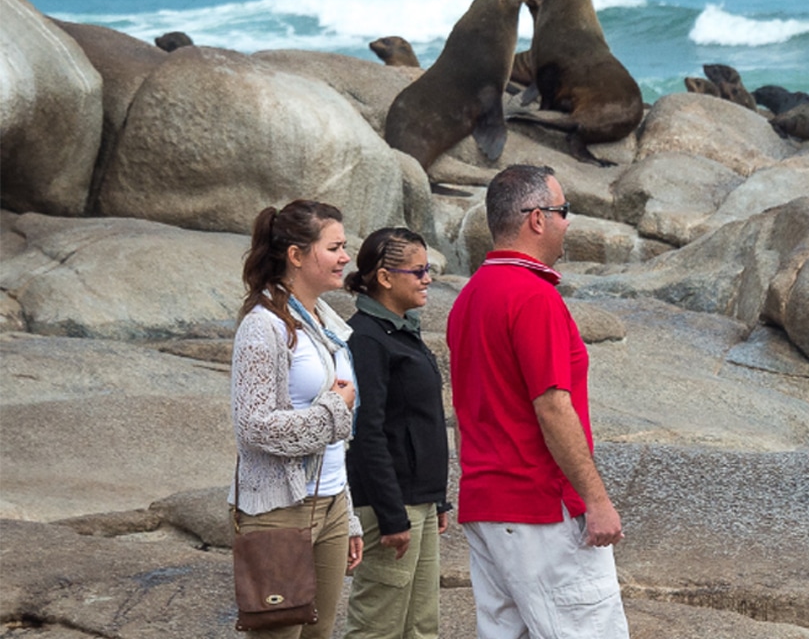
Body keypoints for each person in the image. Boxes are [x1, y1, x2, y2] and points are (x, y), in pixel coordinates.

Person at [448, 164, 628, 638]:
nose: (568, 222)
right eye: (563, 211)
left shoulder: (470, 297)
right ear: (536, 218)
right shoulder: (533, 297)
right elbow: (551, 406)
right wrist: (596, 500)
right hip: (539, 509)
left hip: (486, 503)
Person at [230, 199, 365, 639]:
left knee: (320, 634)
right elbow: (253, 425)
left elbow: (336, 437)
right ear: (296, 255)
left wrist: (348, 515)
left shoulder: (326, 323)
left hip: (331, 504)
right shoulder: (262, 326)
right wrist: (331, 412)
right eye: (335, 247)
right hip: (279, 511)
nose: (346, 257)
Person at [342, 227, 450, 639]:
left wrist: (437, 499)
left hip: (418, 501)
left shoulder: (402, 330)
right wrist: (391, 516)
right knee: (377, 627)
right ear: (385, 278)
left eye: (428, 270)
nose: (427, 279)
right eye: (418, 270)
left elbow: (418, 423)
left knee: (421, 627)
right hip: (391, 506)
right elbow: (366, 433)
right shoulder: (367, 338)